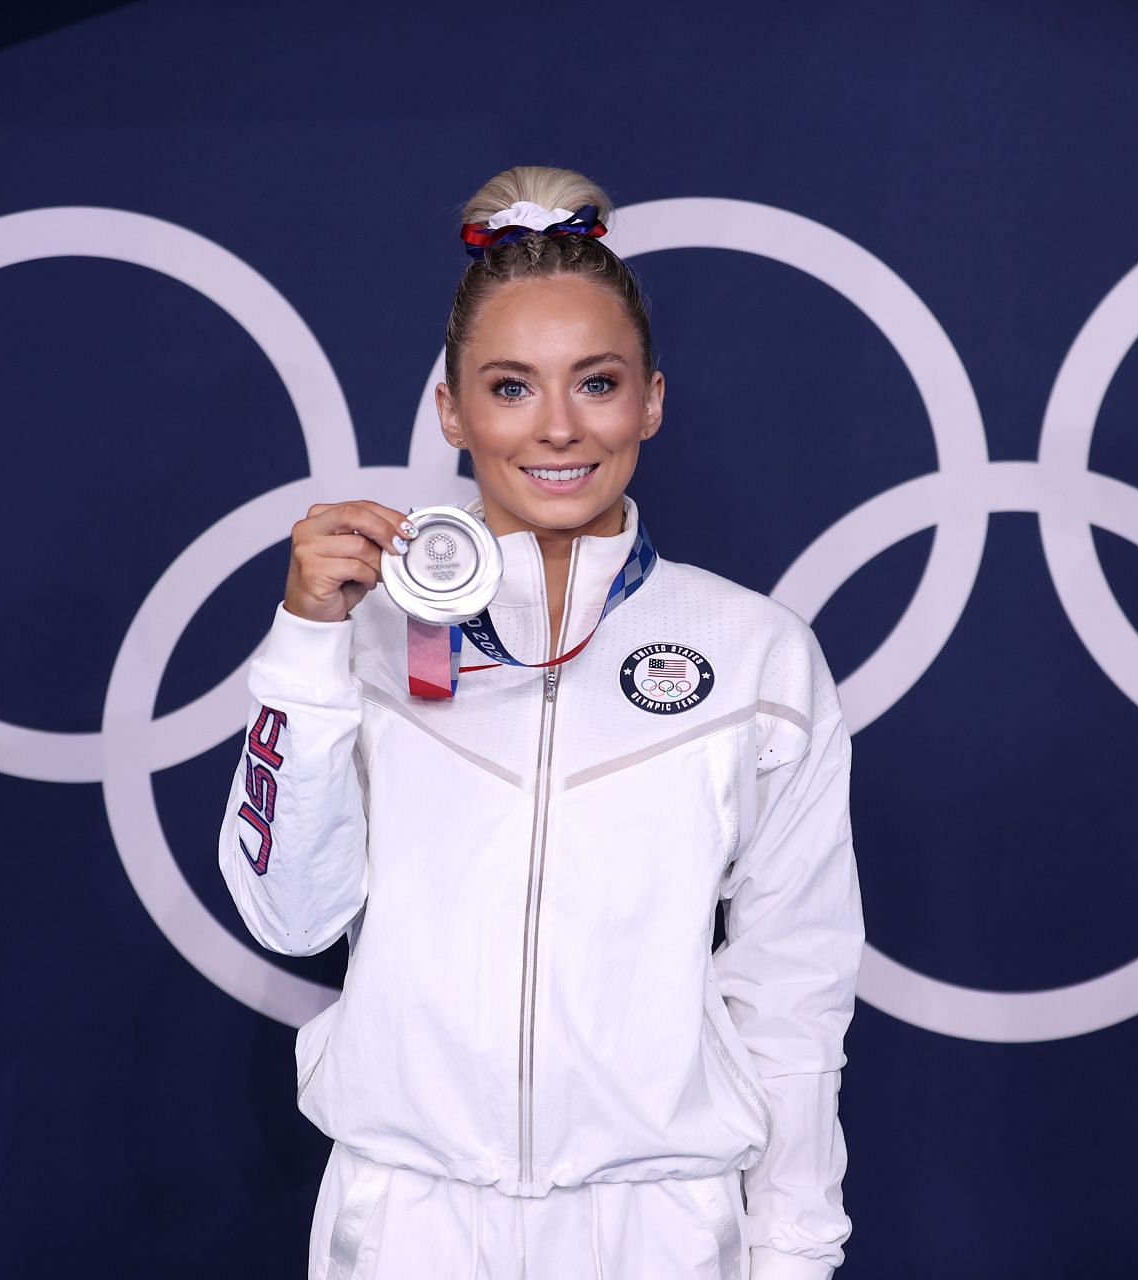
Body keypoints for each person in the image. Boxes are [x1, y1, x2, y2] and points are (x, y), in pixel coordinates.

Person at [217, 164, 865, 1279]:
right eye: (512, 387)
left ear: (652, 398)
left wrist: (796, 1247)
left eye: (597, 382)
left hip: (657, 1226)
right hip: (411, 1223)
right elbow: (287, 912)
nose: (558, 427)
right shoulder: (365, 633)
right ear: (451, 410)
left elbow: (794, 984)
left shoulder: (757, 653)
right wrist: (305, 643)